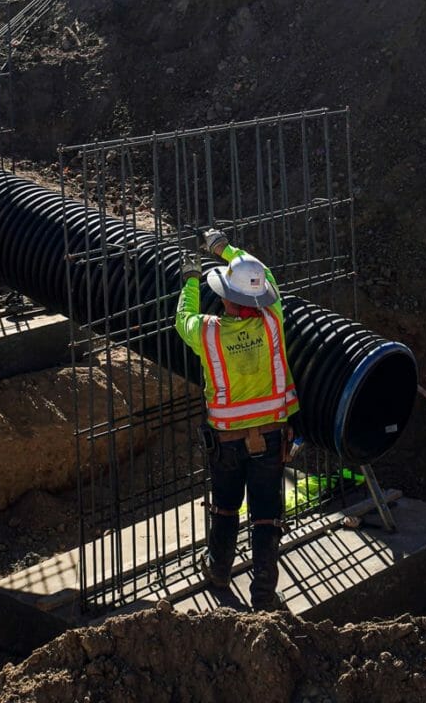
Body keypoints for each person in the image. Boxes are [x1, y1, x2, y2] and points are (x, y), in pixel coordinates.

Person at [174, 227, 298, 610]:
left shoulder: (209, 333)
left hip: (226, 441)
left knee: (226, 505)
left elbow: (183, 317)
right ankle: (263, 593)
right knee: (266, 514)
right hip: (273, 438)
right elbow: (268, 277)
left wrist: (192, 277)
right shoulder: (273, 320)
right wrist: (224, 248)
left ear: (227, 297)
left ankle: (219, 571)